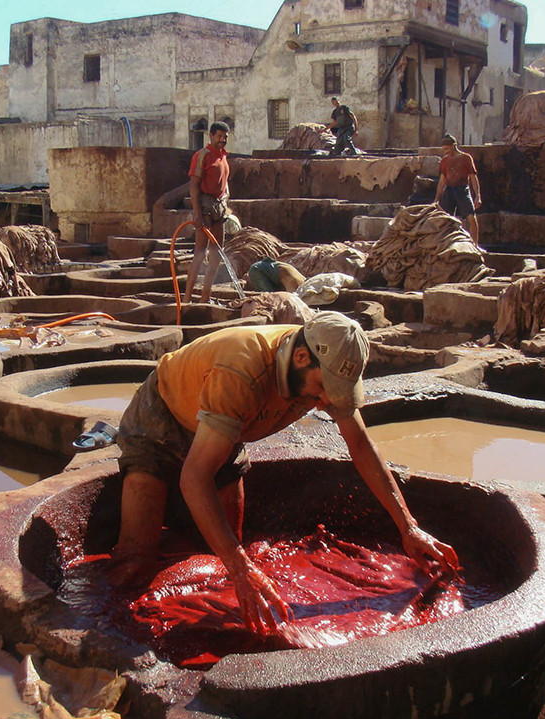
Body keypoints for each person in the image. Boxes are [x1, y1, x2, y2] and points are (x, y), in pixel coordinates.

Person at [109, 311, 460, 633]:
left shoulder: (325, 362)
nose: (325, 401)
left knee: (225, 553)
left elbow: (362, 447)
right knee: (135, 564)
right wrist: (241, 568)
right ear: (301, 357)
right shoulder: (242, 371)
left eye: (335, 393)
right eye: (322, 389)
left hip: (226, 429)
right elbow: (194, 477)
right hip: (162, 418)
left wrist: (408, 527)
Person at [184, 121, 231, 304]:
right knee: (200, 253)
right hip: (205, 205)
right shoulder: (202, 155)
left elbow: (225, 182)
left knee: (216, 254)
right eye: (219, 136)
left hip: (220, 206)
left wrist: (226, 201)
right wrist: (197, 213)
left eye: (225, 137)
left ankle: (205, 296)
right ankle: (187, 298)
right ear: (211, 136)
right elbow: (194, 185)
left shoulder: (224, 157)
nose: (222, 140)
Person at [435, 133, 483, 246]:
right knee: (444, 219)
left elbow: (473, 177)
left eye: (447, 149)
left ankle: (475, 245)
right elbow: (442, 181)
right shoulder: (444, 161)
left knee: (471, 218)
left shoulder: (466, 158)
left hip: (462, 190)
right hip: (449, 191)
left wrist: (478, 196)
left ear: (454, 145)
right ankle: (445, 245)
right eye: (444, 149)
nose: (445, 151)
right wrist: (436, 199)